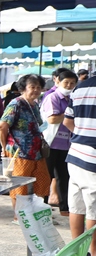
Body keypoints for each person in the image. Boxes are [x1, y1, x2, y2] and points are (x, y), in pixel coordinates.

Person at [0, 74, 50, 215]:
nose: (36, 90)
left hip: (36, 152)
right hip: (19, 151)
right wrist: (4, 147)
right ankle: (20, 217)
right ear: (23, 88)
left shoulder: (34, 104)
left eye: (38, 87)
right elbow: (2, 126)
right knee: (19, 186)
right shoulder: (16, 104)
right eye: (32, 87)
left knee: (42, 182)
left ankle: (36, 213)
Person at [64, 71, 96, 256]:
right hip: (93, 158)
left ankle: (77, 254)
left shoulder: (81, 87)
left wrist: (83, 135)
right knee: (94, 210)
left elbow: (67, 121)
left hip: (76, 153)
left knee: (77, 206)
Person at [41, 70, 77, 215]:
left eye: (72, 83)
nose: (69, 86)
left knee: (64, 177)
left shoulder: (72, 98)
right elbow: (52, 119)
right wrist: (69, 114)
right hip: (50, 143)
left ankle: (65, 208)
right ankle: (42, 208)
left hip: (67, 144)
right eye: (66, 82)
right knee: (46, 177)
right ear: (57, 81)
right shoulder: (53, 97)